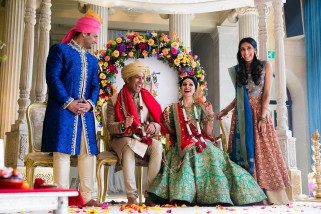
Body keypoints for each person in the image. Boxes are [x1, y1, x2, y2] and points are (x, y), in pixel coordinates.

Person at [146, 76, 266, 206]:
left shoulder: (201, 107)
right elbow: (171, 132)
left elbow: (208, 133)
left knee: (213, 154)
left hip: (202, 142)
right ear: (180, 89)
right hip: (182, 146)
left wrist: (210, 116)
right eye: (184, 84)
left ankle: (220, 195)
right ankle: (185, 196)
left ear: (195, 89)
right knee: (191, 154)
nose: (187, 87)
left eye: (191, 84)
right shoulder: (172, 109)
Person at [216, 37, 291, 205]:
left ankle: (269, 195)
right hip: (241, 115)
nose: (246, 52)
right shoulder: (238, 70)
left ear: (255, 49)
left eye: (249, 48)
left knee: (262, 151)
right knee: (243, 150)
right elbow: (239, 97)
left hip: (259, 113)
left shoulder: (265, 65)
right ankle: (245, 194)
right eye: (242, 49)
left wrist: (263, 118)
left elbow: (265, 94)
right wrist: (225, 110)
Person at [41, 10, 102, 206]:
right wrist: (69, 102)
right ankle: (60, 199)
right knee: (62, 153)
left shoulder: (92, 60)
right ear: (84, 32)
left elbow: (95, 85)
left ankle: (87, 196)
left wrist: (90, 104)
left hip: (85, 113)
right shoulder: (60, 50)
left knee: (88, 153)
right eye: (94, 35)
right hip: (62, 110)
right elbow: (53, 78)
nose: (95, 40)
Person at [106, 60, 165, 205]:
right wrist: (122, 125)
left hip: (141, 139)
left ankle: (150, 193)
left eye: (143, 78)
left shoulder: (147, 98)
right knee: (128, 145)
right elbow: (110, 127)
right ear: (128, 79)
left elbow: (158, 122)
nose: (141, 81)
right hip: (121, 139)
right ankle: (131, 196)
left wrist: (153, 126)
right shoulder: (114, 100)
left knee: (157, 146)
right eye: (138, 77)